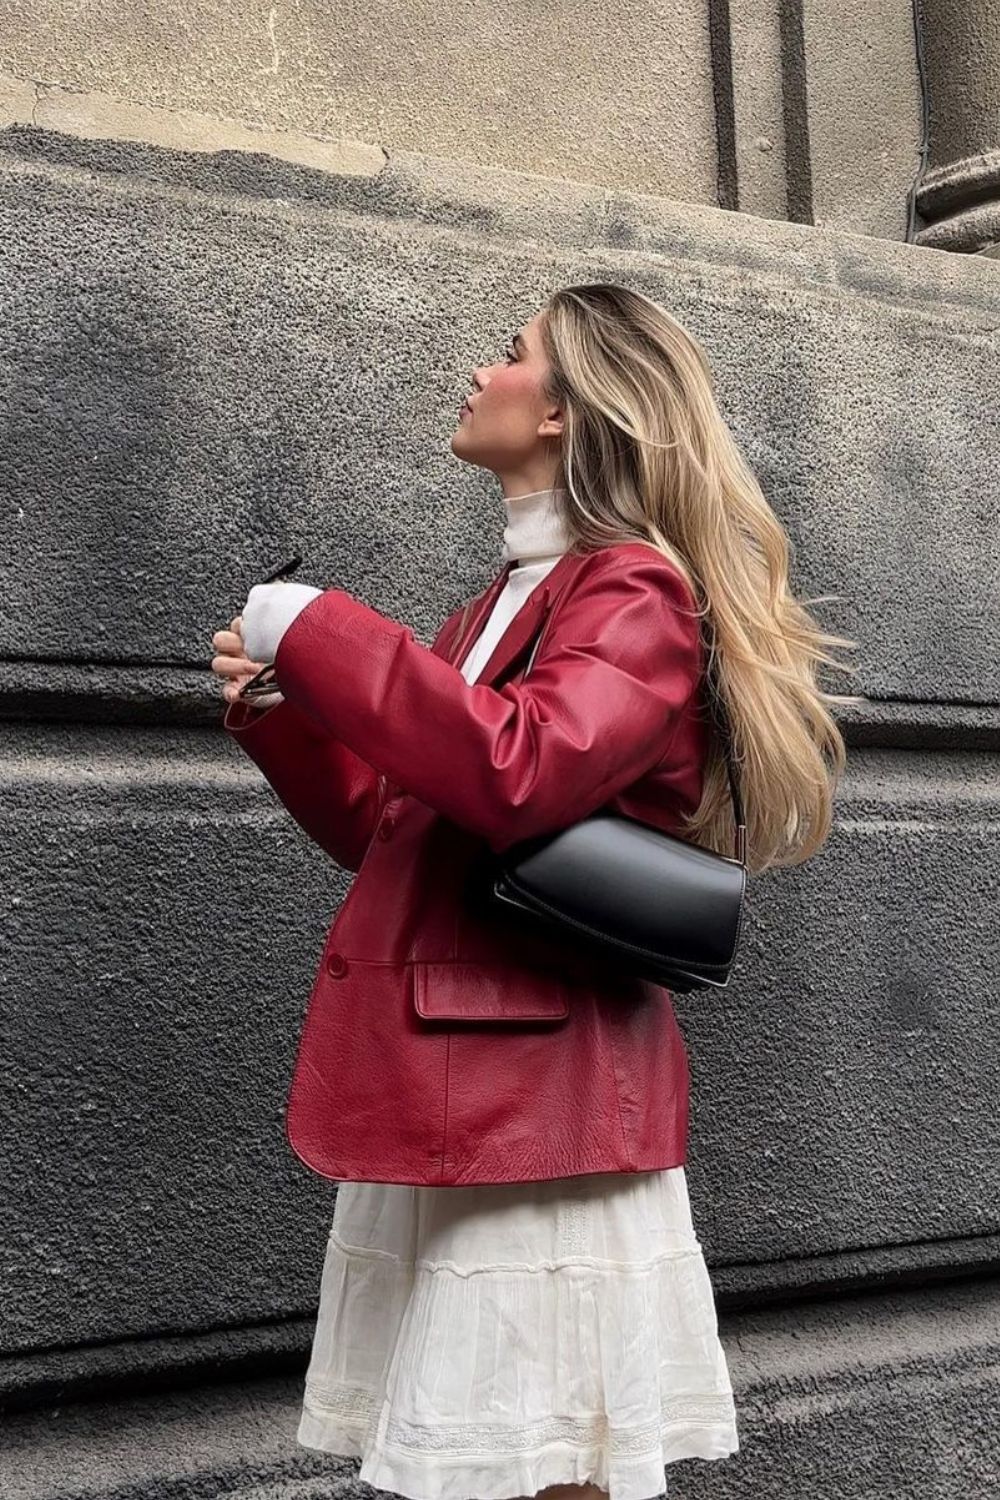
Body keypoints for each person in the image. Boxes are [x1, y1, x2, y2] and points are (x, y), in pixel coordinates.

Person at [210, 283, 856, 1500]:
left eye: (509, 354)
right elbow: (393, 833)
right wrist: (294, 712)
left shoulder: (634, 592)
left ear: (566, 412)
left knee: (548, 1470)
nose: (477, 370)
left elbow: (523, 769)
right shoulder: (490, 610)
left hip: (538, 1105)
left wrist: (325, 629)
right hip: (471, 1086)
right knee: (514, 1467)